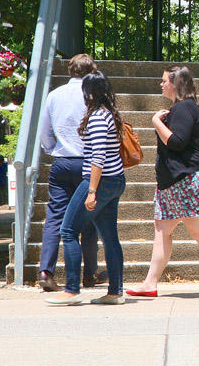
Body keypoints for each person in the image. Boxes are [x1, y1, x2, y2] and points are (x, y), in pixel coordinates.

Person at [126, 66, 199, 299]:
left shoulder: (184, 107)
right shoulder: (181, 108)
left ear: (175, 84)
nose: (161, 85)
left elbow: (177, 142)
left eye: (164, 81)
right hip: (177, 183)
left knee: (198, 231)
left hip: (188, 181)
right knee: (163, 230)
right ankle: (150, 283)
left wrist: (156, 122)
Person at [46, 71, 127, 305]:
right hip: (115, 180)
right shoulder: (109, 114)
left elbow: (98, 158)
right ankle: (115, 291)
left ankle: (71, 289)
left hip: (100, 183)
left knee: (69, 230)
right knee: (110, 237)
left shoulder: (98, 118)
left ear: (89, 94)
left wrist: (91, 191)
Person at [35, 53, 105, 292]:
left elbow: (44, 130)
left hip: (62, 162)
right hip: (88, 163)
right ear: (92, 72)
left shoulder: (54, 96)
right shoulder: (94, 95)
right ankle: (89, 272)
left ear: (69, 71)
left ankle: (46, 271)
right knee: (89, 217)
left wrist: (52, 148)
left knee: (55, 217)